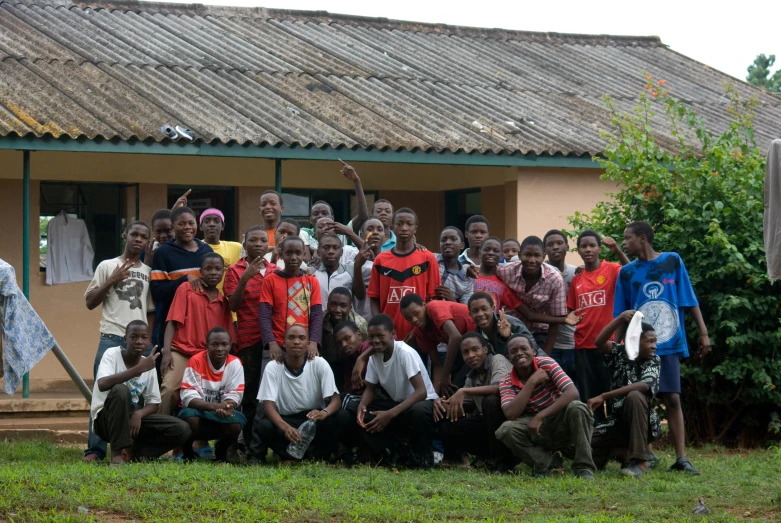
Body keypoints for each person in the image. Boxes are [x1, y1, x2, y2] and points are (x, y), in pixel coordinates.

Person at [614, 220, 709, 475]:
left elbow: (689, 299)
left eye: (628, 237)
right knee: (641, 398)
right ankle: (644, 454)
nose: (624, 242)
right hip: (637, 346)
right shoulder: (627, 273)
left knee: (673, 398)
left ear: (643, 238)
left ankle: (681, 459)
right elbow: (621, 314)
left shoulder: (672, 261)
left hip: (668, 342)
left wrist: (703, 332)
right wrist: (617, 347)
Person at [83, 221, 154, 461]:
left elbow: (150, 310)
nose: (138, 239)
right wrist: (112, 280)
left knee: (135, 396)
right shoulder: (107, 265)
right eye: (134, 234)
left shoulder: (147, 271)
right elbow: (90, 302)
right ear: (125, 235)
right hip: (112, 337)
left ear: (147, 242)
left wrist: (149, 341)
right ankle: (95, 450)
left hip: (139, 343)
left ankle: (128, 450)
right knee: (102, 394)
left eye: (144, 236)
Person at [495, 335, 596, 479]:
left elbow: (572, 393)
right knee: (505, 430)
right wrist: (532, 381)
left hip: (560, 419)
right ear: (508, 358)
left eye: (524, 348)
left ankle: (584, 467)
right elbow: (511, 414)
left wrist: (541, 416)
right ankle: (545, 462)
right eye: (513, 351)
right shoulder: (506, 381)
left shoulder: (546, 363)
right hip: (534, 428)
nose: (519, 353)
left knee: (577, 407)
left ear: (534, 351)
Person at [90, 320, 190, 465]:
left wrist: (139, 414)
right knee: (120, 390)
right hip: (106, 419)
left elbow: (154, 403)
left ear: (149, 341)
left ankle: (139, 453)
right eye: (133, 337)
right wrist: (139, 369)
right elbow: (102, 384)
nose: (139, 341)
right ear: (125, 339)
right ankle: (117, 454)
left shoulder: (147, 363)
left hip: (131, 417)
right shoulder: (112, 354)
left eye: (144, 337)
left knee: (182, 429)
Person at [253, 324, 350, 462]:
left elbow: (336, 400)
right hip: (287, 419)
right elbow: (268, 406)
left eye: (301, 338)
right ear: (284, 343)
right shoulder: (273, 367)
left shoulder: (319, 363)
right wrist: (285, 427)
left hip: (313, 419)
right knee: (264, 427)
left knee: (343, 417)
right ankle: (288, 456)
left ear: (308, 344)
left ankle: (317, 454)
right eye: (291, 338)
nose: (296, 342)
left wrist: (324, 413)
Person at [356, 314, 439, 468]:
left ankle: (424, 456)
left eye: (381, 336)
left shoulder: (404, 353)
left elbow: (422, 392)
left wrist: (390, 414)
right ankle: (393, 451)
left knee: (419, 411)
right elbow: (371, 388)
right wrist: (362, 406)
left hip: (422, 403)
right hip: (399, 405)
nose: (375, 341)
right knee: (361, 411)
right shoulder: (375, 355)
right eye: (372, 337)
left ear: (393, 334)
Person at [160, 253, 235, 416]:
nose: (213, 272)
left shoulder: (224, 303)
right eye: (208, 269)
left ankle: (198, 440)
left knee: (204, 398)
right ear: (200, 271)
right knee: (169, 390)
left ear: (223, 272)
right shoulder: (186, 289)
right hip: (181, 352)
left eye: (217, 269)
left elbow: (228, 340)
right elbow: (172, 321)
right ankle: (161, 433)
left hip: (206, 359)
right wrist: (166, 351)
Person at [590, 311, 661, 477]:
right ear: (635, 341)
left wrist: (604, 396)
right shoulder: (619, 353)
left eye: (655, 342)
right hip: (616, 423)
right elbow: (599, 342)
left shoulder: (654, 360)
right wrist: (620, 319)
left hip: (645, 424)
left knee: (635, 396)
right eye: (649, 341)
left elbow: (643, 385)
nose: (654, 346)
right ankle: (619, 451)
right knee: (581, 443)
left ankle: (641, 462)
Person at [223, 226, 276, 442]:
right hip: (248, 338)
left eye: (263, 240)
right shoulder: (235, 271)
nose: (258, 244)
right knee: (250, 393)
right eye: (253, 240)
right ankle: (245, 440)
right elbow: (233, 305)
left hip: (273, 339)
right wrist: (245, 277)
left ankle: (263, 440)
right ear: (245, 243)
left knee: (269, 393)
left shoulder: (275, 270)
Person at [438, 333, 515, 472]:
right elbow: (459, 402)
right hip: (489, 427)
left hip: (510, 421)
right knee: (447, 425)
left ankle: (503, 463)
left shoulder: (497, 360)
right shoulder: (471, 377)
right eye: (466, 352)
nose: (471, 355)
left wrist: (464, 391)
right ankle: (481, 456)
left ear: (485, 350)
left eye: (475, 349)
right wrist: (440, 403)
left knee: (490, 401)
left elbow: (500, 388)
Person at [568, 230, 629, 402]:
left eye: (592, 245)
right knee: (590, 398)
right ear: (578, 250)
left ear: (599, 249)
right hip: (583, 346)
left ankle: (615, 429)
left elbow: (631, 271)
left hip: (610, 345)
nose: (588, 249)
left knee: (615, 396)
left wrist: (617, 250)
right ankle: (594, 429)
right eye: (583, 246)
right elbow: (572, 312)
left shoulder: (611, 269)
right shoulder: (576, 280)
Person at [367, 208, 441, 341]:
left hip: (419, 334)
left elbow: (433, 299)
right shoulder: (381, 260)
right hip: (388, 335)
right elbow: (374, 297)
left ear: (415, 228)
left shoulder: (427, 258)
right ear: (392, 227)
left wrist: (421, 329)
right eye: (400, 223)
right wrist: (380, 327)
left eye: (409, 224)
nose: (404, 228)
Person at [178, 327, 246, 462]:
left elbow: (234, 396)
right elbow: (188, 398)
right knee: (189, 417)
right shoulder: (196, 360)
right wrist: (216, 407)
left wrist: (224, 407)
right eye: (215, 344)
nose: (220, 348)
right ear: (206, 346)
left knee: (237, 423)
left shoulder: (235, 363)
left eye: (224, 344)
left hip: (221, 412)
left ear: (230, 345)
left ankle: (221, 453)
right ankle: (188, 452)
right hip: (199, 412)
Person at [151, 206, 214, 347]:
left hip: (203, 322)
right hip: (173, 325)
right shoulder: (163, 253)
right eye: (181, 224)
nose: (187, 227)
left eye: (191, 223)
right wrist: (185, 279)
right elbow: (157, 292)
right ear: (173, 227)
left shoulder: (206, 250)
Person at [496, 236, 568, 355]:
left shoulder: (554, 279)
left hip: (538, 332)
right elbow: (484, 271)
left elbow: (555, 321)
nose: (531, 260)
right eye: (527, 255)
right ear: (519, 255)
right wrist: (469, 269)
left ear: (544, 257)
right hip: (509, 329)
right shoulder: (504, 271)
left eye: (537, 256)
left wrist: (546, 355)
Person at [259, 236, 323, 363]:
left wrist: (314, 342)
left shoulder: (312, 281)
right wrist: (271, 343)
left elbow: (317, 314)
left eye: (298, 253)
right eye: (288, 253)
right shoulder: (270, 280)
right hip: (277, 346)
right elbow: (264, 314)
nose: (293, 257)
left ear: (304, 255)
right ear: (281, 255)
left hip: (304, 347)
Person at [400, 294, 475, 395]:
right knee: (446, 390)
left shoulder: (434, 307)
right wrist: (434, 396)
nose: (414, 320)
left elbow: (455, 337)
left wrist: (445, 375)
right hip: (463, 348)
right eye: (409, 318)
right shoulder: (420, 332)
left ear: (424, 305)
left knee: (456, 385)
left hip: (479, 339)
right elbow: (437, 364)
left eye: (416, 313)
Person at [301, 160, 369, 251]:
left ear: (332, 218)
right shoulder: (304, 233)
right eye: (316, 213)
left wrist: (356, 181)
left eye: (325, 213)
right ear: (310, 220)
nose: (320, 215)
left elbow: (363, 216)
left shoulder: (343, 233)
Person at [543, 230, 578, 381]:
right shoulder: (540, 271)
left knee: (576, 388)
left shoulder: (576, 273)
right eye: (550, 245)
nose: (555, 247)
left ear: (568, 247)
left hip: (574, 343)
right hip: (549, 342)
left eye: (559, 243)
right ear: (544, 250)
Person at [321, 287, 368, 392]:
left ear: (350, 307)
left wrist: (361, 359)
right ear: (327, 304)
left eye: (343, 306)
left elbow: (371, 346)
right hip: (328, 363)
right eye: (333, 304)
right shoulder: (320, 320)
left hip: (352, 364)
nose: (337, 310)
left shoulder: (360, 324)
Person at [467, 292, 541, 357]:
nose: (480, 314)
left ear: (493, 308)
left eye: (484, 309)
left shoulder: (510, 322)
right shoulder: (476, 337)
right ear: (470, 314)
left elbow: (533, 348)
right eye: (475, 311)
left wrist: (508, 337)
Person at [313, 233, 371, 305]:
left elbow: (360, 296)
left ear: (341, 252)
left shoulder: (351, 270)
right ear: (318, 252)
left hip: (344, 315)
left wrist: (357, 267)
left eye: (335, 247)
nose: (331, 251)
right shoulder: (312, 273)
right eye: (326, 247)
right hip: (319, 316)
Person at [199, 208, 243, 295]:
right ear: (201, 226)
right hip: (203, 303)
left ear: (222, 226)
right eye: (207, 221)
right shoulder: (195, 248)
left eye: (216, 221)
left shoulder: (237, 248)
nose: (212, 224)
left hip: (229, 304)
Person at [353, 218, 385, 320]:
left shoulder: (391, 262)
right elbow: (358, 294)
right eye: (370, 229)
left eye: (379, 230)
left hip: (386, 320)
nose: (375, 232)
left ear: (384, 236)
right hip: (361, 320)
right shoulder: (352, 261)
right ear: (362, 235)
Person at [435, 226, 473, 304]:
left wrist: (451, 299)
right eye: (443, 240)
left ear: (462, 245)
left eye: (453, 239)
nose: (448, 242)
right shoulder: (431, 259)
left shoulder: (466, 280)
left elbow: (466, 311)